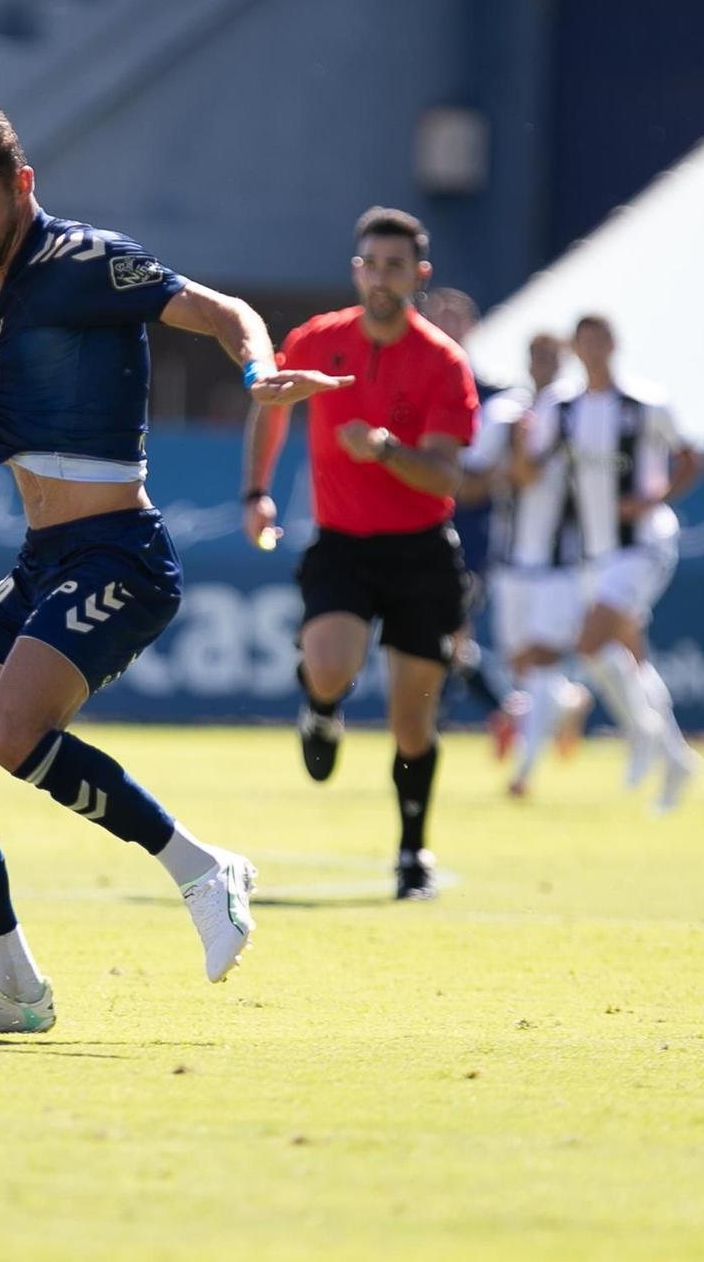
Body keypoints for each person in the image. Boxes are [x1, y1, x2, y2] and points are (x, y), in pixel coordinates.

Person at [0, 107, 351, 1032]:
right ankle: (14, 987)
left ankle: (203, 869)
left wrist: (258, 371)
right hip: (43, 558)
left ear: (22, 187)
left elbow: (222, 312)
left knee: (14, 732)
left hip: (121, 555)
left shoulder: (85, 261)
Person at [242, 207, 480, 900]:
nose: (381, 277)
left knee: (412, 720)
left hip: (421, 551)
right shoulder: (318, 340)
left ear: (419, 275)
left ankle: (412, 851)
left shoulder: (441, 362)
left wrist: (384, 449)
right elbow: (271, 403)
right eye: (371, 264)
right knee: (328, 665)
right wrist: (257, 491)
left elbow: (444, 475)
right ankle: (321, 707)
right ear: (357, 269)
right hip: (342, 542)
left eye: (396, 266)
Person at [529, 315, 704, 813]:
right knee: (632, 658)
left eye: (598, 340)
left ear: (612, 344)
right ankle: (676, 759)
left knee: (591, 642)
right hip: (594, 551)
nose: (590, 350)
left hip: (643, 544)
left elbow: (692, 459)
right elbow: (531, 466)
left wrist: (654, 499)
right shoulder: (560, 407)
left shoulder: (647, 403)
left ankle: (643, 734)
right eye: (581, 342)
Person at [476, 332, 594, 797]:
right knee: (521, 666)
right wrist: (504, 468)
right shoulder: (505, 411)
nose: (543, 363)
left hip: (563, 563)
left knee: (541, 663)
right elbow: (474, 470)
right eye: (536, 355)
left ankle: (523, 772)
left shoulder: (581, 413)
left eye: (551, 356)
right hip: (511, 561)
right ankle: (569, 703)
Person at [422, 287, 524, 757]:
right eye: (437, 316)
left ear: (473, 327)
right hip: (415, 530)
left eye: (456, 318)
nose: (446, 325)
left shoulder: (499, 399)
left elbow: (506, 473)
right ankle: (507, 708)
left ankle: (429, 732)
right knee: (443, 637)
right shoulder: (414, 388)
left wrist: (479, 482)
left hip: (473, 537)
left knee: (443, 633)